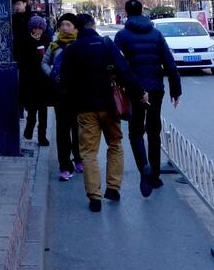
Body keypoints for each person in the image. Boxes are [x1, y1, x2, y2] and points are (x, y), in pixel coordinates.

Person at [60, 13, 146, 212]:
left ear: (77, 29)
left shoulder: (72, 50)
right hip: (110, 106)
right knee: (115, 145)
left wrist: (69, 106)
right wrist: (140, 91)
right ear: (93, 25)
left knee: (88, 153)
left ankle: (94, 197)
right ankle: (114, 187)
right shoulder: (106, 45)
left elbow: (64, 83)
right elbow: (124, 71)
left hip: (84, 109)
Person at [114, 0, 181, 197]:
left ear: (126, 13)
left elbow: (117, 64)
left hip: (134, 90)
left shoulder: (122, 36)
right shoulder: (156, 34)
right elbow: (169, 63)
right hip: (155, 89)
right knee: (154, 131)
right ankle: (156, 176)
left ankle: (144, 166)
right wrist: (175, 90)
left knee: (136, 132)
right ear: (142, 11)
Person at [42, 13, 83, 180]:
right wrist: (51, 73)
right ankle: (64, 165)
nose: (65, 28)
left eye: (68, 25)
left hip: (78, 92)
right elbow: (44, 62)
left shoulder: (80, 44)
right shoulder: (54, 45)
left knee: (78, 128)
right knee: (62, 130)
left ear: (75, 28)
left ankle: (79, 158)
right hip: (60, 93)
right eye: (62, 25)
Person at [19, 15, 51, 145]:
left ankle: (42, 137)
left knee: (43, 112)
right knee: (32, 110)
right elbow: (21, 60)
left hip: (43, 81)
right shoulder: (25, 41)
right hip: (29, 80)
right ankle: (29, 129)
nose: (38, 30)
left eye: (40, 28)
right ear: (31, 29)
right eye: (35, 28)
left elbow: (50, 59)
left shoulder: (47, 40)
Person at [11, 0, 31, 64]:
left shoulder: (32, 17)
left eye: (19, 4)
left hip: (31, 51)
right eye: (15, 4)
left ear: (25, 4)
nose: (17, 6)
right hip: (18, 51)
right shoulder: (12, 18)